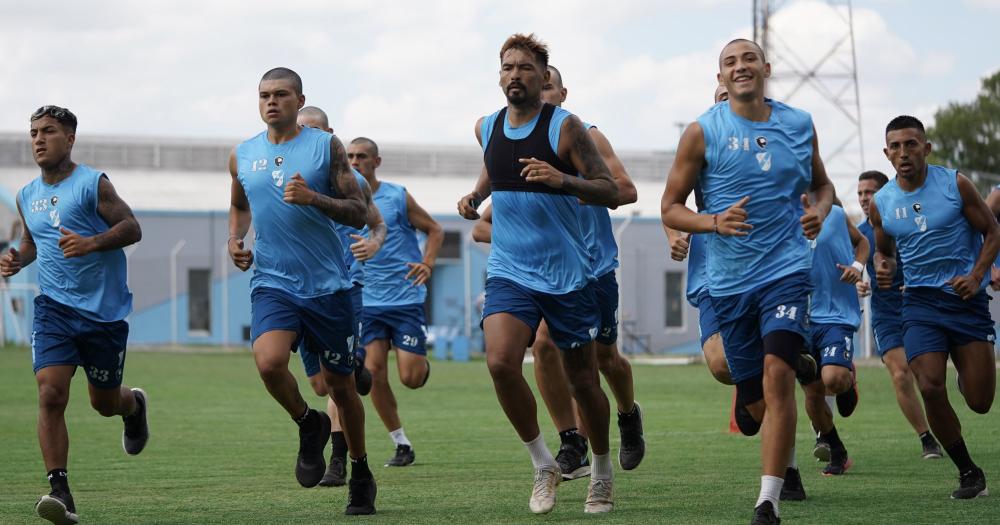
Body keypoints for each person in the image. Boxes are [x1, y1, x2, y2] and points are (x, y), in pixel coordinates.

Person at [661, 39, 835, 525]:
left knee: (776, 375)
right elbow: (669, 206)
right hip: (727, 281)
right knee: (752, 405)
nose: (741, 67)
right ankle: (794, 375)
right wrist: (712, 222)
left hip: (785, 271)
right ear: (720, 76)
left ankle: (769, 501)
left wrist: (818, 212)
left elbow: (822, 185)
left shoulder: (799, 125)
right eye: (730, 62)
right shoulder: (701, 132)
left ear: (766, 68)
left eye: (749, 59)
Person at [458, 33, 620, 515]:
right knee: (501, 362)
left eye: (525, 68)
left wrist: (561, 180)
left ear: (542, 75)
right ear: (499, 75)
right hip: (510, 270)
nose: (515, 75)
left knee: (584, 381)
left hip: (569, 274)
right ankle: (543, 463)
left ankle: (603, 472)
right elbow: (495, 166)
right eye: (507, 67)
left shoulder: (566, 129)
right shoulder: (486, 127)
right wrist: (476, 197)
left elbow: (610, 190)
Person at [227, 68, 375, 514]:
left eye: (281, 94)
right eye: (264, 95)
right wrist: (235, 240)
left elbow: (359, 213)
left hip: (328, 287)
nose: (272, 102)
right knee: (269, 363)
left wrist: (315, 199)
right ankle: (307, 424)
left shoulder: (324, 147)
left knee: (341, 388)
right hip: (273, 281)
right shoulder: (242, 154)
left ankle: (361, 472)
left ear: (299, 99)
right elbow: (238, 204)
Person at [1, 105, 148, 525]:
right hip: (54, 310)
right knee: (50, 392)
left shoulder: (92, 184)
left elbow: (132, 228)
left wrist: (92, 243)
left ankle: (133, 406)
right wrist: (17, 261)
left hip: (103, 315)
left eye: (49, 131)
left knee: (104, 404)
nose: (39, 139)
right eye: (33, 133)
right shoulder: (26, 194)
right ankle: (60, 490)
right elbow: (34, 243)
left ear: (70, 139)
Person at [869, 115, 999, 499]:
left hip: (965, 300)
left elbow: (992, 231)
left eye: (911, 144)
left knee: (979, 401)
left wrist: (977, 275)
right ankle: (968, 472)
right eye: (896, 146)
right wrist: (884, 266)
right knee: (928, 384)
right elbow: (883, 251)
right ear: (887, 154)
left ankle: (966, 373)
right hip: (920, 302)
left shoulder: (955, 184)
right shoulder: (882, 202)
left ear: (926, 148)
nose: (904, 153)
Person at [295, 106, 385, 487]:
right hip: (297, 290)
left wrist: (373, 245)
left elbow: (377, 224)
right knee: (319, 385)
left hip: (346, 287)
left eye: (313, 132)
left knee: (337, 383)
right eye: (300, 131)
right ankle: (357, 366)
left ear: (328, 135)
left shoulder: (351, 182)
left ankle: (339, 460)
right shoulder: (285, 179)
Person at [350, 136, 443, 468]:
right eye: (349, 156)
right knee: (372, 374)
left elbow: (435, 230)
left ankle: (420, 364)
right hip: (367, 301)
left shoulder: (397, 196)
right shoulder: (342, 200)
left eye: (361, 156)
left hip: (405, 298)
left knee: (411, 379)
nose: (354, 161)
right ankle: (401, 443)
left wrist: (428, 263)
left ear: (376, 162)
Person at [855, 170, 943, 459]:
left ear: (884, 195)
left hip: (920, 305)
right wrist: (859, 281)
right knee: (900, 373)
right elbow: (852, 266)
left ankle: (946, 425)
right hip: (886, 312)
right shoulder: (857, 234)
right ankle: (926, 437)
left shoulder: (905, 221)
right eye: (860, 193)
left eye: (870, 192)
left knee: (928, 375)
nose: (864, 198)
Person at [800, 200, 868, 476]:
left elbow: (862, 243)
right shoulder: (777, 218)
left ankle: (847, 377)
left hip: (835, 315)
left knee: (833, 379)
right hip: (798, 319)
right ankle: (837, 451)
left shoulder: (836, 215)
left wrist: (857, 266)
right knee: (813, 395)